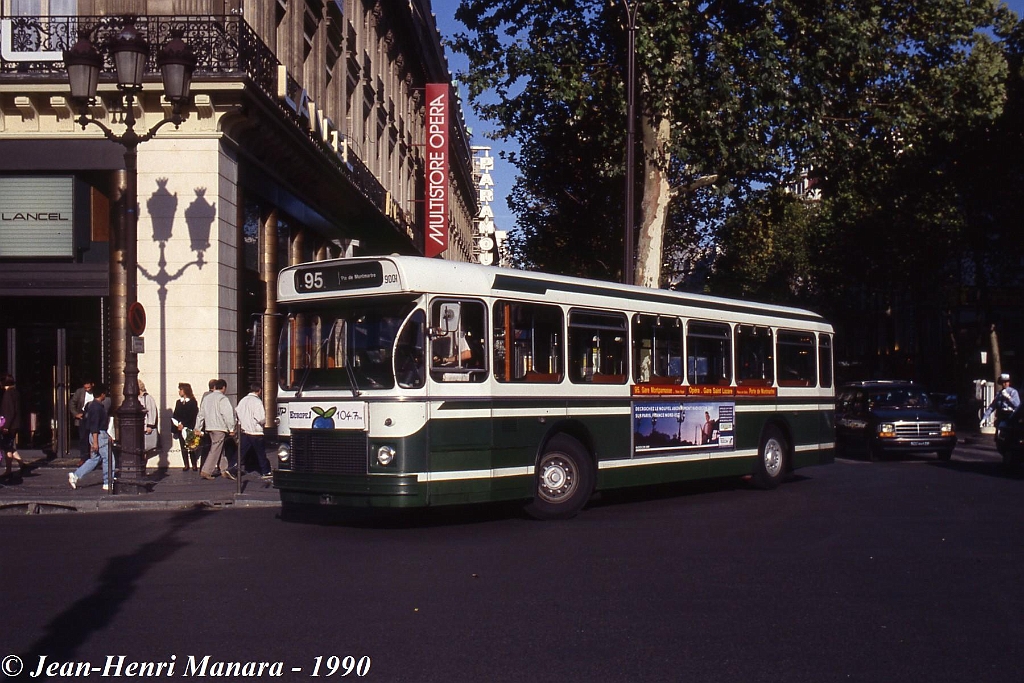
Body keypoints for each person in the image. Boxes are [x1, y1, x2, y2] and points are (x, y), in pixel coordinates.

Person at [68, 383, 112, 491]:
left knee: (95, 459)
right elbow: (95, 426)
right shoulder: (97, 408)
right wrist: (96, 441)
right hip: (99, 435)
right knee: (109, 458)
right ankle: (107, 481)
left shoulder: (91, 406)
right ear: (102, 394)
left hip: (96, 435)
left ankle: (76, 475)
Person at [195, 378, 237, 480]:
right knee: (215, 449)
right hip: (220, 427)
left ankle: (224, 469)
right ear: (223, 388)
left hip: (209, 427)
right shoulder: (223, 399)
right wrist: (231, 428)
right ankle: (206, 470)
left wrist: (198, 428)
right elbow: (228, 415)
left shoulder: (207, 398)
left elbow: (201, 415)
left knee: (219, 448)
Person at [236, 383, 271, 479]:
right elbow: (261, 418)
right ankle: (265, 471)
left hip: (245, 430)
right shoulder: (257, 402)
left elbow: (238, 412)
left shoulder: (242, 400)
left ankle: (232, 467)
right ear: (259, 390)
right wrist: (263, 423)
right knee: (261, 453)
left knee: (241, 452)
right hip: (256, 431)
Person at [1, 374, 25, 482]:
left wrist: (6, 426)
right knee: (8, 445)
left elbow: (9, 412)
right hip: (15, 424)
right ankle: (20, 462)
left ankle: (9, 470)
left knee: (7, 447)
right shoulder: (15, 392)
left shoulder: (8, 394)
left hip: (10, 425)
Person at [171, 382, 200, 471]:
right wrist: (178, 424)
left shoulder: (192, 402)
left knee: (191, 446)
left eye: (181, 389)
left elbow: (192, 415)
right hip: (180, 427)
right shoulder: (178, 402)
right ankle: (186, 464)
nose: (179, 391)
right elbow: (176, 414)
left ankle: (194, 464)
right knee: (183, 447)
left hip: (188, 427)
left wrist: (184, 424)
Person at [69, 379, 95, 463]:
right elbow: (72, 403)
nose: (87, 389)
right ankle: (84, 458)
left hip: (93, 416)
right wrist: (76, 414)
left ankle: (94, 458)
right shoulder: (79, 392)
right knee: (83, 438)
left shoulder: (96, 392)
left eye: (89, 387)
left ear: (92, 385)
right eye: (85, 388)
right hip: (83, 416)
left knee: (93, 438)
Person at [139, 379, 159, 453]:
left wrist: (150, 425)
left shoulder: (147, 398)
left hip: (145, 427)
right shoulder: (136, 398)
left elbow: (151, 411)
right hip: (138, 427)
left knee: (145, 448)